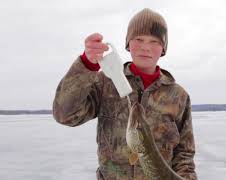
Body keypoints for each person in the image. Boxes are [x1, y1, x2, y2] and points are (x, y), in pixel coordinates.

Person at [53, 8, 197, 180]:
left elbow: (184, 155)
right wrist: (87, 65)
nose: (145, 47)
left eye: (154, 41)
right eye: (139, 39)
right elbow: (65, 115)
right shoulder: (106, 82)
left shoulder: (178, 96)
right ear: (128, 43)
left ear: (163, 48)